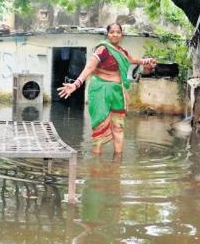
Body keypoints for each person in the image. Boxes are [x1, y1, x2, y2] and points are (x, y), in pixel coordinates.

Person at [58, 23, 157, 154]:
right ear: (107, 34)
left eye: (118, 32)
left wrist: (146, 61)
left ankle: (116, 166)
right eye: (112, 32)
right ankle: (97, 167)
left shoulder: (122, 51)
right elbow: (89, 67)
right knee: (99, 129)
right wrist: (76, 84)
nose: (115, 34)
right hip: (101, 91)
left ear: (122, 35)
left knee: (119, 127)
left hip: (117, 92)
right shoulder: (102, 49)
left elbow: (132, 60)